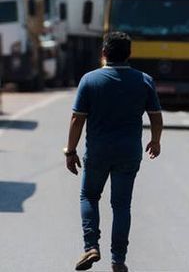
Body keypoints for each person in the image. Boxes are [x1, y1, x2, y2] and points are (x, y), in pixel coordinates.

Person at [64, 32, 163, 272]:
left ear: (104, 53)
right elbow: (156, 116)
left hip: (97, 152)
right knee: (121, 206)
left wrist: (71, 151)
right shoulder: (144, 80)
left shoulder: (90, 80)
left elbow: (78, 119)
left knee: (89, 197)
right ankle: (118, 260)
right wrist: (155, 141)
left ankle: (91, 246)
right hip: (128, 152)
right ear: (129, 54)